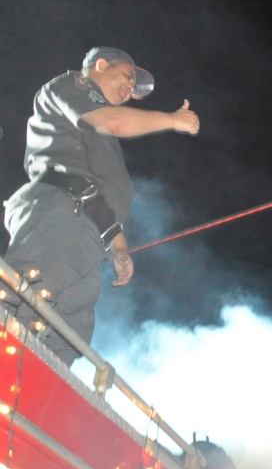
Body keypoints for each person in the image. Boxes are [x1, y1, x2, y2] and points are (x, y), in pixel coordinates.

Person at [3, 47, 199, 364]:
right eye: (127, 76)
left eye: (134, 87)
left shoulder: (98, 134)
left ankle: (32, 396)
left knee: (67, 336)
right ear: (101, 65)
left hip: (86, 234)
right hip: (60, 213)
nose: (130, 89)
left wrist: (118, 247)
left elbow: (99, 195)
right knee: (22, 298)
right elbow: (113, 123)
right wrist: (172, 120)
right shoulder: (75, 86)